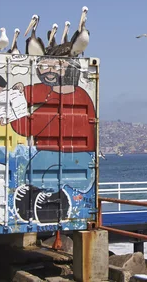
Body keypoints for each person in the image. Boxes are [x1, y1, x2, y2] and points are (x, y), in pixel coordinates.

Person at [10, 57, 96, 224]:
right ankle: (40, 196)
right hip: (77, 156)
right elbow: (29, 93)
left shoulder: (57, 97)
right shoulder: (76, 95)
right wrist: (18, 92)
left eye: (55, 67)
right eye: (43, 66)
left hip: (71, 156)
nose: (49, 71)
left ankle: (52, 198)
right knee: (38, 174)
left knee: (37, 174)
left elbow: (26, 127)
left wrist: (14, 109)